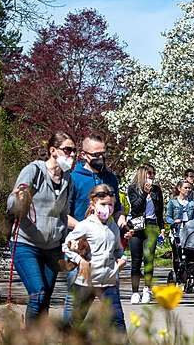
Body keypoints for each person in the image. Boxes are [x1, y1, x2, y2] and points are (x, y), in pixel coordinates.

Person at [7, 131, 75, 324]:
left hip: (52, 249)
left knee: (44, 301)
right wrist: (18, 200)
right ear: (53, 151)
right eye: (68, 150)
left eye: (74, 151)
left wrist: (64, 240)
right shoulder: (34, 170)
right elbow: (12, 202)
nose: (72, 155)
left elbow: (63, 213)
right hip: (25, 244)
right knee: (38, 294)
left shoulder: (67, 179)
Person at [65, 134, 129, 322]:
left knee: (113, 309)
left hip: (107, 252)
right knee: (76, 306)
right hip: (81, 249)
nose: (100, 158)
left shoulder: (110, 178)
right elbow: (63, 215)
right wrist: (88, 229)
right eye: (95, 154)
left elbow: (116, 209)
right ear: (84, 155)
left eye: (103, 153)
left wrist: (122, 221)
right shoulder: (72, 178)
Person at [63, 184, 127, 332]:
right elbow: (66, 246)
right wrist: (81, 261)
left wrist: (122, 259)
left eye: (110, 205)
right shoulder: (84, 226)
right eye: (103, 204)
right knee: (76, 320)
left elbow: (118, 250)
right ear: (93, 205)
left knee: (117, 320)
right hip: (86, 282)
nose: (107, 208)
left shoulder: (113, 228)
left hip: (108, 281)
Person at [127, 164, 164, 304]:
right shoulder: (133, 188)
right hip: (136, 226)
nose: (152, 176)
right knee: (136, 261)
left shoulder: (156, 190)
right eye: (149, 173)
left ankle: (146, 289)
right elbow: (136, 207)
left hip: (151, 225)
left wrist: (161, 228)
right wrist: (144, 193)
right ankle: (135, 292)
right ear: (142, 174)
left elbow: (159, 210)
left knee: (148, 259)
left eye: (154, 173)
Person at [166, 179, 194, 270]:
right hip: (177, 232)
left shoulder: (192, 202)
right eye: (186, 188)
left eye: (189, 188)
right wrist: (174, 221)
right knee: (177, 256)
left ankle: (187, 273)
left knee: (188, 255)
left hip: (188, 233)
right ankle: (176, 273)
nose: (188, 190)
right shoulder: (173, 202)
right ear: (179, 189)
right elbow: (168, 217)